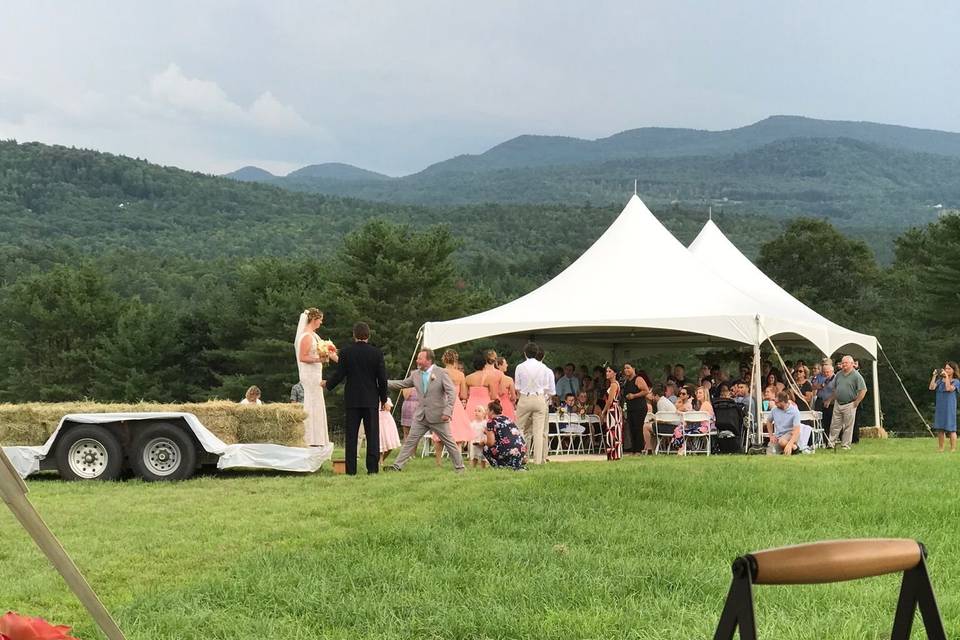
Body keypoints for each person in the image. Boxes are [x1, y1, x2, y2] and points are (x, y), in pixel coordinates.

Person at [322, 322, 387, 475]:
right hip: (371, 398)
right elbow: (382, 379)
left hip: (352, 398)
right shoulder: (376, 353)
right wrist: (383, 399)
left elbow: (340, 374)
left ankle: (351, 470)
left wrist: (328, 384)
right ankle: (372, 469)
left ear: (354, 335)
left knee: (351, 435)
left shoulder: (346, 352)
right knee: (372, 435)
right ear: (368, 335)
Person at [386, 348, 465, 473]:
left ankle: (460, 468)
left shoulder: (441, 373)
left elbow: (452, 393)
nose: (417, 361)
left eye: (420, 358)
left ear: (428, 360)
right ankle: (397, 466)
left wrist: (447, 411)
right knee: (410, 441)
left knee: (449, 442)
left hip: (439, 416)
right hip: (421, 416)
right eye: (417, 358)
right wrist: (382, 382)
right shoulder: (416, 374)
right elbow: (402, 384)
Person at [296, 308, 339, 447]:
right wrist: (319, 359)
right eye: (320, 319)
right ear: (314, 320)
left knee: (317, 402)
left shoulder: (315, 336)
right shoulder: (306, 336)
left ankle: (317, 438)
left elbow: (326, 351)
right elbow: (302, 357)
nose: (321, 322)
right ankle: (309, 437)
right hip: (309, 374)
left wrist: (334, 356)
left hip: (315, 373)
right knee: (312, 402)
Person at [514, 342, 552, 464]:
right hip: (539, 397)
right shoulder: (544, 368)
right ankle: (538, 460)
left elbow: (517, 387)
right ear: (537, 353)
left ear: (525, 353)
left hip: (525, 397)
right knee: (539, 431)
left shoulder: (520, 367)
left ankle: (520, 456)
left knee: (519, 428)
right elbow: (547, 387)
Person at [433, 349, 473, 466]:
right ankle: (457, 460)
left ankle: (438, 462)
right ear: (455, 360)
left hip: (441, 403)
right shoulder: (460, 375)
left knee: (439, 434)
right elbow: (464, 395)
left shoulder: (438, 372)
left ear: (444, 359)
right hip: (455, 405)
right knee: (457, 434)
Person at [826, 355, 867, 450]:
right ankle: (831, 443)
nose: (843, 365)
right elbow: (836, 389)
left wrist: (856, 402)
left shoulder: (856, 376)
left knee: (848, 426)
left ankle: (845, 445)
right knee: (834, 425)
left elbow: (863, 390)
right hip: (838, 403)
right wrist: (830, 400)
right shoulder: (839, 374)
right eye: (842, 363)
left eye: (846, 363)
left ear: (852, 364)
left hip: (849, 403)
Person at [482, 399, 527, 471]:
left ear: (492, 411)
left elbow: (491, 443)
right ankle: (514, 465)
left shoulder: (491, 422)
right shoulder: (507, 418)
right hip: (521, 448)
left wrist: (484, 442)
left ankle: (499, 467)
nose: (486, 412)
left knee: (486, 448)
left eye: (487, 410)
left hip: (508, 450)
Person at [361, 400, 402, 464]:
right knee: (380, 444)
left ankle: (381, 460)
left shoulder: (387, 399)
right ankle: (379, 461)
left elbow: (388, 408)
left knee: (389, 444)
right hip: (377, 421)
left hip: (386, 422)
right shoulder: (373, 399)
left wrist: (383, 401)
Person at [930, 361, 959, 452]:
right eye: (945, 368)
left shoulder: (956, 381)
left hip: (949, 407)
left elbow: (948, 388)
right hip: (940, 407)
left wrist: (946, 377)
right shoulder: (939, 381)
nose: (946, 370)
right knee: (940, 428)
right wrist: (934, 376)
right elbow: (931, 387)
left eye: (949, 369)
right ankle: (941, 448)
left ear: (953, 370)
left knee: (951, 429)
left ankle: (953, 448)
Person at [622, 363, 650, 454]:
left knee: (638, 428)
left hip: (639, 407)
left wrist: (634, 395)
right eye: (625, 368)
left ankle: (639, 449)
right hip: (630, 408)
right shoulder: (627, 381)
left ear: (633, 368)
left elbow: (646, 391)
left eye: (628, 368)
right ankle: (633, 449)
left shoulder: (638, 379)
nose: (626, 370)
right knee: (632, 428)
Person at [765, 391, 802, 455]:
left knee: (782, 441)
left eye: (776, 402)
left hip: (790, 434)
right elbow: (768, 421)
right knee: (770, 453)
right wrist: (771, 436)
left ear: (783, 402)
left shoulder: (795, 412)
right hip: (778, 436)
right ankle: (794, 448)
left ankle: (793, 448)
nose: (775, 403)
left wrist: (790, 444)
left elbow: (797, 431)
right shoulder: (774, 410)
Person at [644, 383, 676, 454]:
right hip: (672, 425)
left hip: (671, 427)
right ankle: (652, 448)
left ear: (656, 395)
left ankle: (649, 449)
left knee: (646, 427)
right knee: (652, 427)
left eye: (652, 395)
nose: (652, 397)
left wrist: (654, 420)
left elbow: (663, 419)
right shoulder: (665, 400)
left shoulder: (660, 402)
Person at [600, 365, 623, 461]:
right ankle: (614, 454)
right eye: (607, 371)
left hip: (613, 409)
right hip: (615, 409)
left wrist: (604, 411)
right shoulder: (615, 384)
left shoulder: (614, 384)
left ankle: (613, 454)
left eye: (609, 371)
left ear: (615, 373)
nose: (607, 373)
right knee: (614, 430)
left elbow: (610, 401)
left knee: (612, 431)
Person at [496, 356, 518, 421]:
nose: (507, 365)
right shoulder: (508, 379)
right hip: (506, 404)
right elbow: (513, 397)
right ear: (499, 365)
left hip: (493, 405)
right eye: (505, 363)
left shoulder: (490, 379)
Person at [468, 404, 489, 468]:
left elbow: (488, 432)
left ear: (484, 414)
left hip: (482, 441)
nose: (476, 412)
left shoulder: (485, 423)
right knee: (474, 456)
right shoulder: (473, 423)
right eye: (475, 411)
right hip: (474, 442)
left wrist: (485, 432)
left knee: (483, 456)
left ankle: (483, 467)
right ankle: (473, 467)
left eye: (479, 411)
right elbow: (470, 432)